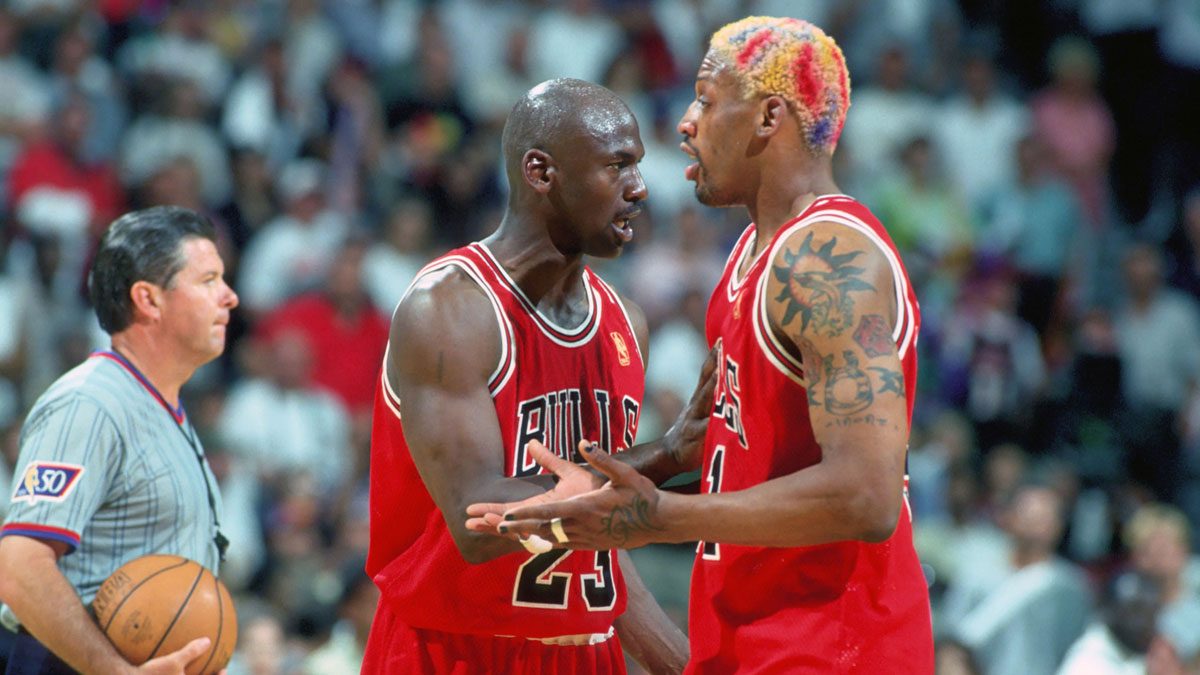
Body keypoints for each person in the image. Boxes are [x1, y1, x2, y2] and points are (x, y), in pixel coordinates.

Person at [471, 16, 935, 672]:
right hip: (754, 638)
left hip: (833, 646)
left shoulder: (829, 262)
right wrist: (663, 460)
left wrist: (658, 516)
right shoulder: (749, 256)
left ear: (769, 116)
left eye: (707, 100)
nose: (686, 122)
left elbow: (867, 495)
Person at [362, 78, 714, 674]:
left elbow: (595, 534)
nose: (640, 189)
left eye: (639, 166)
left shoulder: (624, 324)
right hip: (454, 650)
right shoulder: (449, 308)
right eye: (617, 167)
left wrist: (685, 666)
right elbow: (479, 518)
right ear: (541, 173)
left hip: (587, 652)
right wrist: (664, 457)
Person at [0, 206, 238, 674]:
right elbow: (19, 566)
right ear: (148, 299)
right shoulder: (90, 403)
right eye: (208, 280)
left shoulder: (159, 405)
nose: (229, 297)